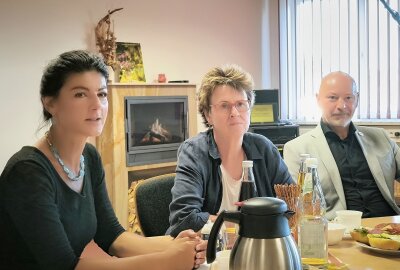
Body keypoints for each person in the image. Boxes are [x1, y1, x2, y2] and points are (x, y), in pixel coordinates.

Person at [0, 50, 206, 270]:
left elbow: (112, 236)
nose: (96, 105)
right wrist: (167, 260)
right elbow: (64, 267)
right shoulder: (27, 172)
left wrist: (176, 244)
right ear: (50, 103)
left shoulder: (89, 157)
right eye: (80, 94)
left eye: (101, 94)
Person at [166, 64, 294, 237]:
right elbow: (184, 219)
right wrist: (244, 225)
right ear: (208, 114)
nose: (234, 112)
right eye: (225, 106)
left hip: (258, 249)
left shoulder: (264, 148)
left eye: (241, 104)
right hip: (208, 254)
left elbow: (292, 204)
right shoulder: (194, 152)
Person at [283, 71, 400, 220]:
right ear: (318, 100)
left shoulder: (380, 137)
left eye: (348, 98)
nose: (342, 106)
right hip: (338, 233)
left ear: (356, 100)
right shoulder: (297, 149)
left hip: (388, 227)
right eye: (333, 98)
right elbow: (298, 206)